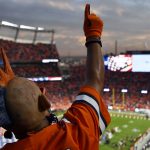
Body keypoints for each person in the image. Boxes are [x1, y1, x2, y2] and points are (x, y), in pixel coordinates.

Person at [0, 4, 111, 150]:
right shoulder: (78, 133)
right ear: (44, 102)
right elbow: (94, 80)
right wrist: (93, 34)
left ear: (7, 126)